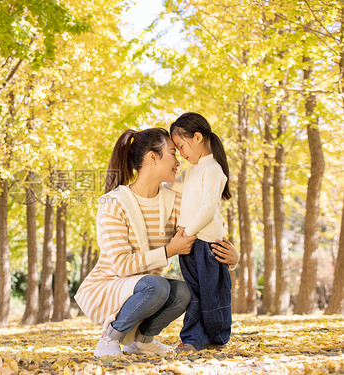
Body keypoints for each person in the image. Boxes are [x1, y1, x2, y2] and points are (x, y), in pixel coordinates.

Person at [74, 127, 238, 358]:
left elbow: (205, 224)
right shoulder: (114, 203)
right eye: (173, 152)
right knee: (158, 286)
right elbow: (122, 266)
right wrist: (170, 250)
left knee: (183, 291)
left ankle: (143, 341)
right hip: (110, 284)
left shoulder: (174, 200)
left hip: (149, 288)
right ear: (153, 157)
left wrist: (232, 258)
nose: (179, 160)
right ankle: (109, 338)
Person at [168, 112, 236, 353]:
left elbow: (208, 207)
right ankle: (194, 338)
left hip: (205, 243)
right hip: (189, 242)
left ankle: (215, 335)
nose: (181, 153)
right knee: (194, 292)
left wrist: (188, 231)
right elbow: (169, 187)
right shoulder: (191, 171)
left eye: (181, 146)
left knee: (211, 293)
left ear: (197, 137)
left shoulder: (213, 169)